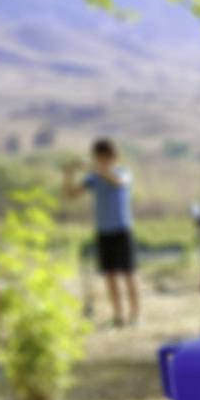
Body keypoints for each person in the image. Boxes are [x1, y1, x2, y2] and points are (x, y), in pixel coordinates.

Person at [64, 137, 140, 327]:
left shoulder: (124, 173)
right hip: (103, 232)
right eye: (99, 157)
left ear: (113, 157)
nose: (104, 161)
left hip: (122, 230)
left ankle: (135, 316)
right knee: (110, 276)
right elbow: (70, 195)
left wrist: (92, 167)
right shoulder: (93, 177)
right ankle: (118, 316)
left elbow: (117, 182)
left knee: (129, 275)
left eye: (105, 157)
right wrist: (68, 175)